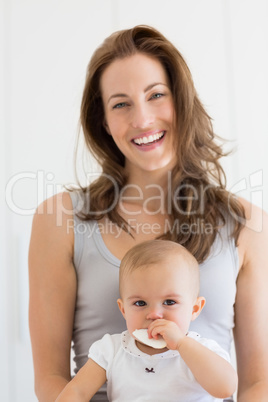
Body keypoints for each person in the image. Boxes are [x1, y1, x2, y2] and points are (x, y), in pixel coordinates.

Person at [28, 25, 268, 402]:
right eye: (121, 104)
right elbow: (51, 378)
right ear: (104, 122)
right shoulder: (59, 219)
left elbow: (257, 384)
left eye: (156, 95)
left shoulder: (248, 224)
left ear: (182, 100)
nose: (142, 120)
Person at [55, 239, 237, 401]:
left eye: (169, 302)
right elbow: (78, 391)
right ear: (124, 309)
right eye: (140, 303)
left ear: (194, 309)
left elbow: (225, 388)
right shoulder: (111, 349)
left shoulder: (202, 350)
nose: (154, 314)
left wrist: (182, 344)